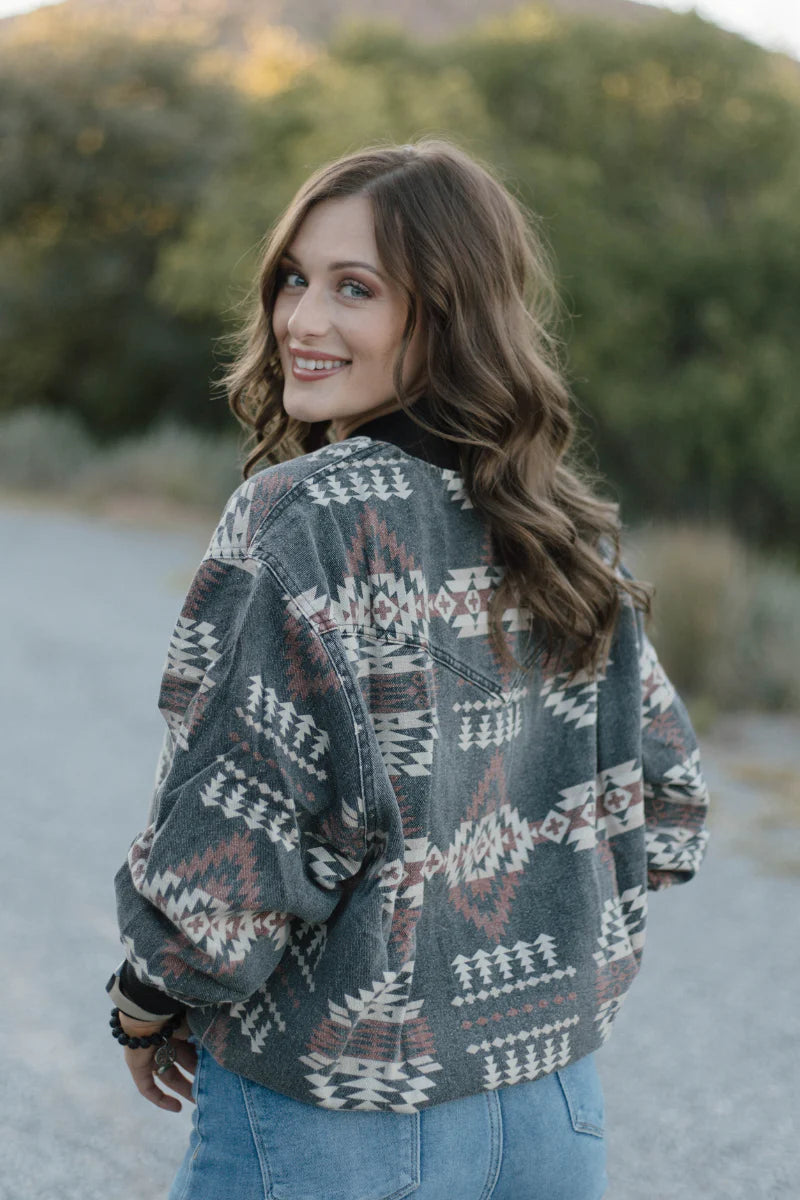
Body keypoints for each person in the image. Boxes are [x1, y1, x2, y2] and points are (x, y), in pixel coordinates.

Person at [106, 139, 711, 1200]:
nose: (302, 320)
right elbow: (665, 806)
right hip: (551, 1113)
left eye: (356, 288)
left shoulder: (298, 517)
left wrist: (146, 1000)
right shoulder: (556, 525)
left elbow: (237, 834)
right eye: (293, 279)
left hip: (336, 1118)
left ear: (448, 313)